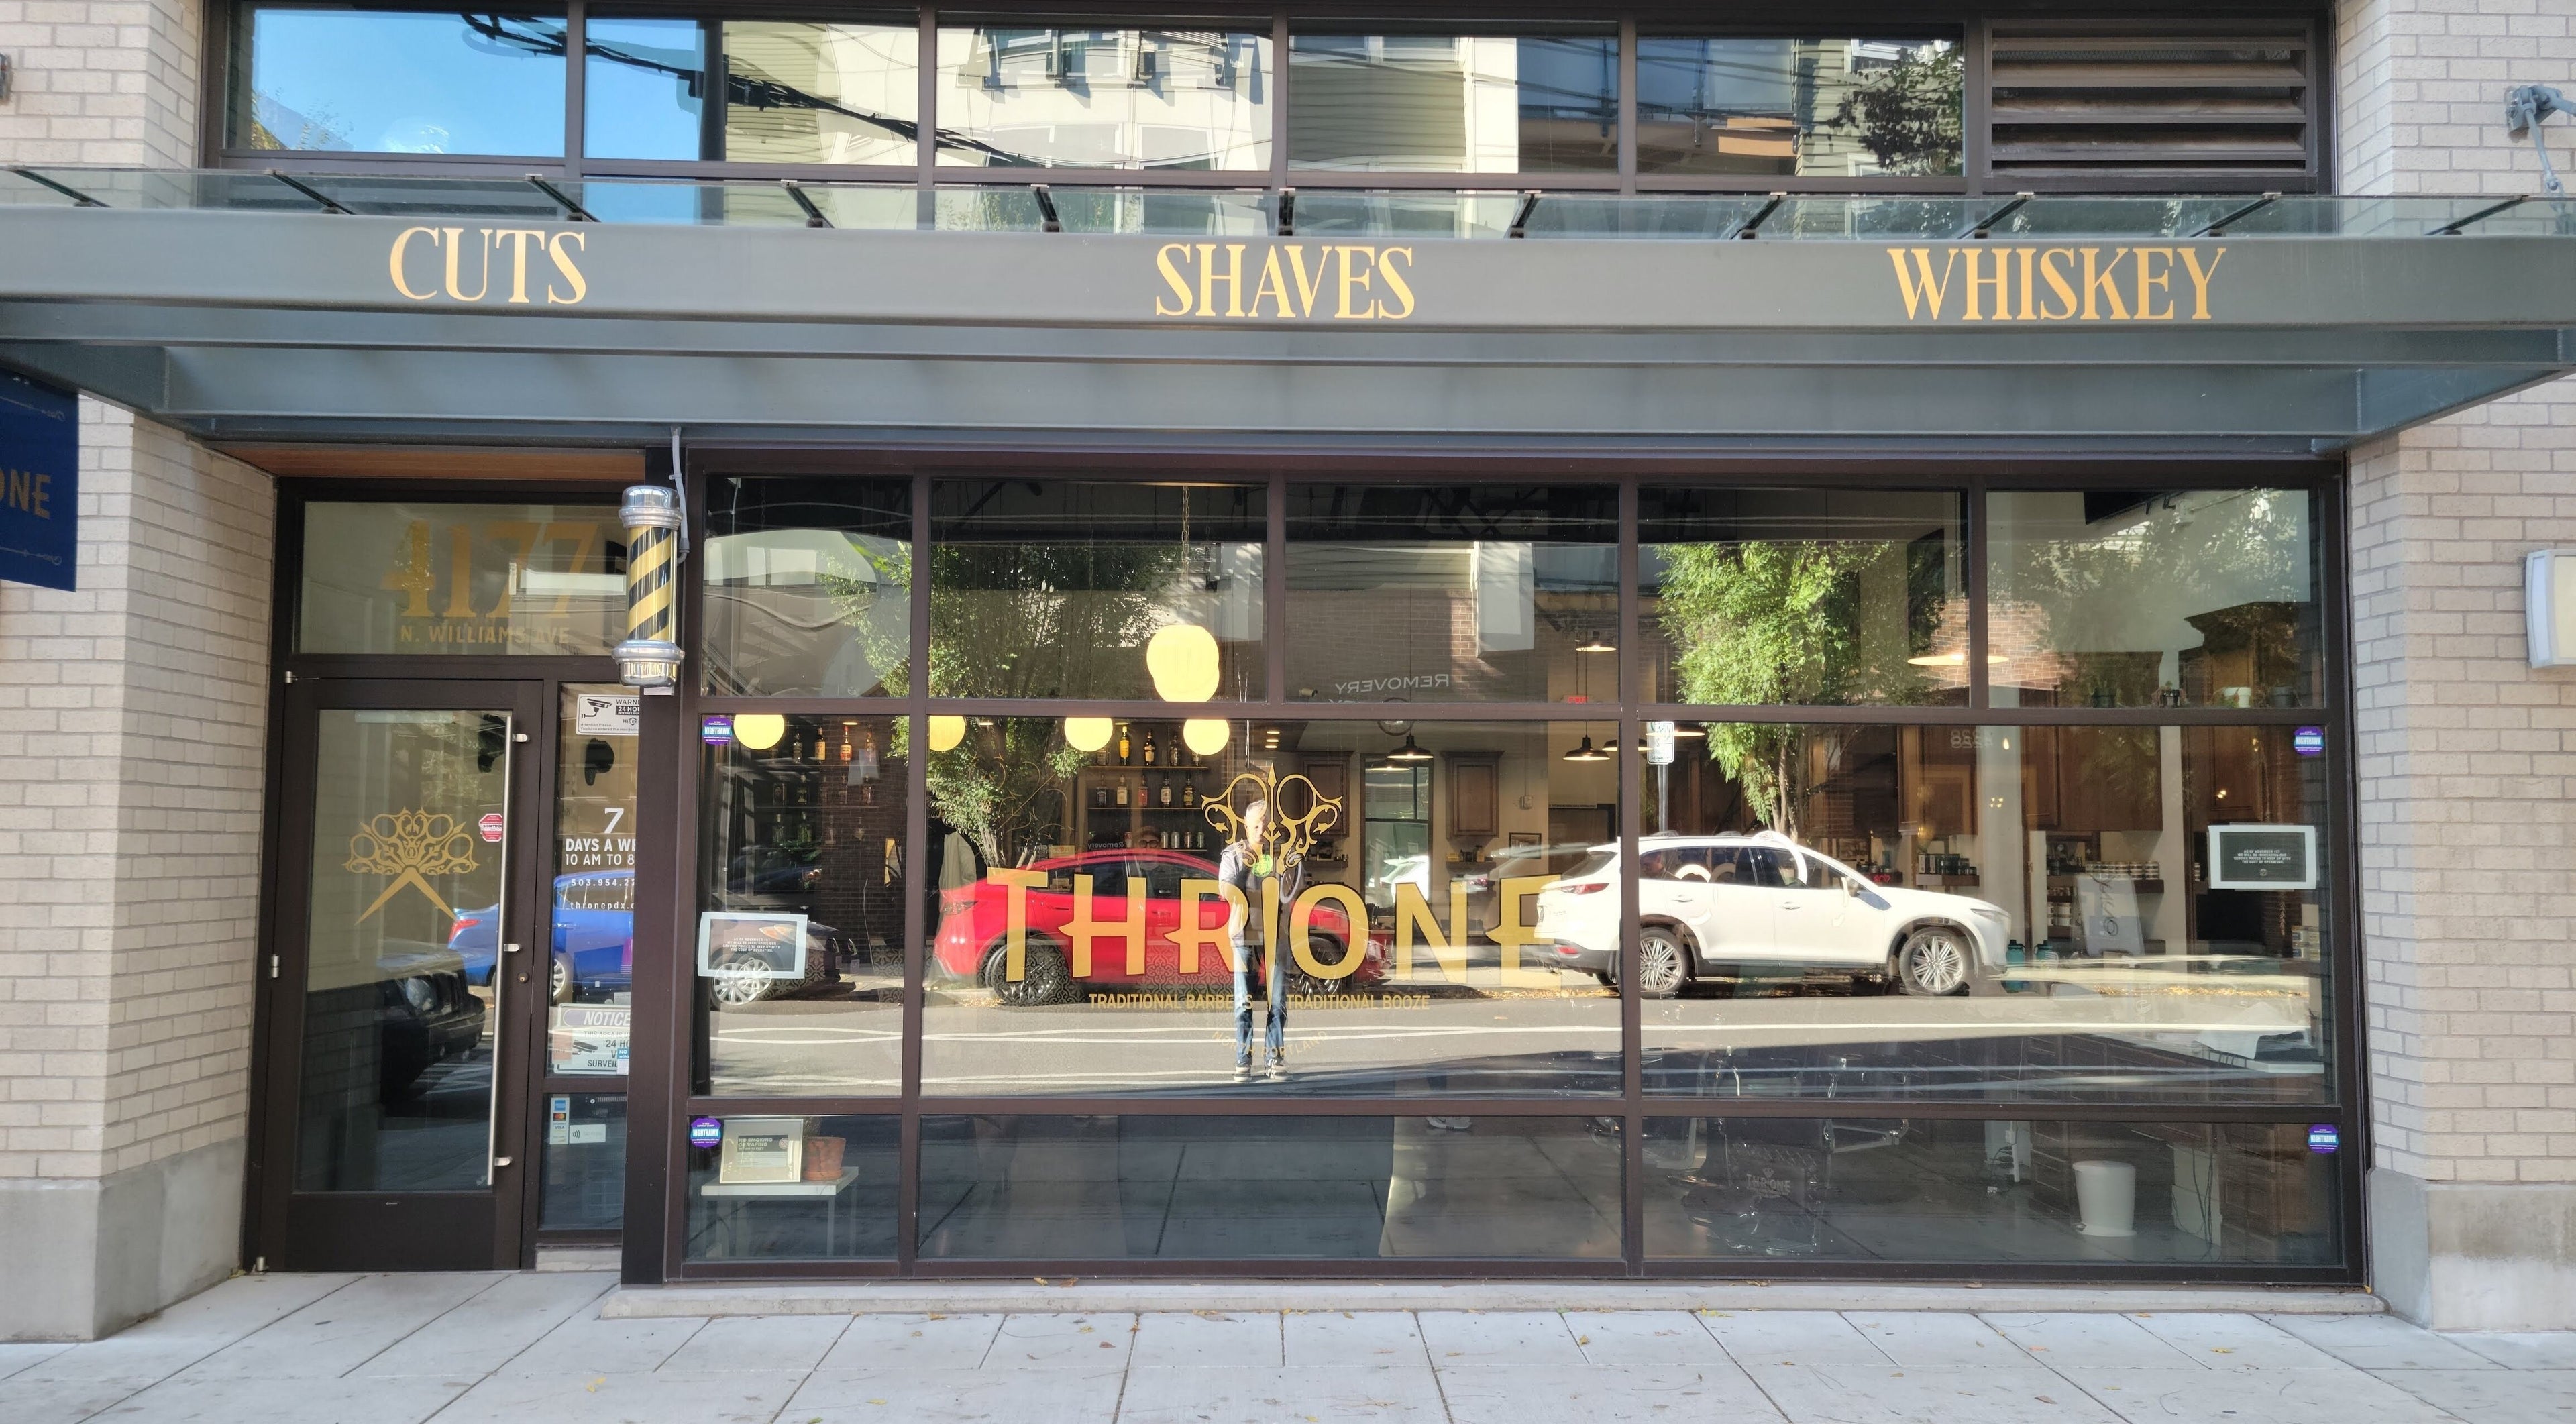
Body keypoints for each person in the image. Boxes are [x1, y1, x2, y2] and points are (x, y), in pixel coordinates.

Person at [1218, 798, 1300, 1083]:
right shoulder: (1232, 854)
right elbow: (1227, 890)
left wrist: (1287, 865)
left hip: (1275, 936)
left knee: (1278, 1002)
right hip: (1244, 935)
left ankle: (1274, 1059)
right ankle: (1244, 1058)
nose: (1261, 828)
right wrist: (1248, 864)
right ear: (1246, 826)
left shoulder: (1280, 857)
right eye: (1256, 824)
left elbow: (1289, 895)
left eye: (1266, 823)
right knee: (1244, 1002)